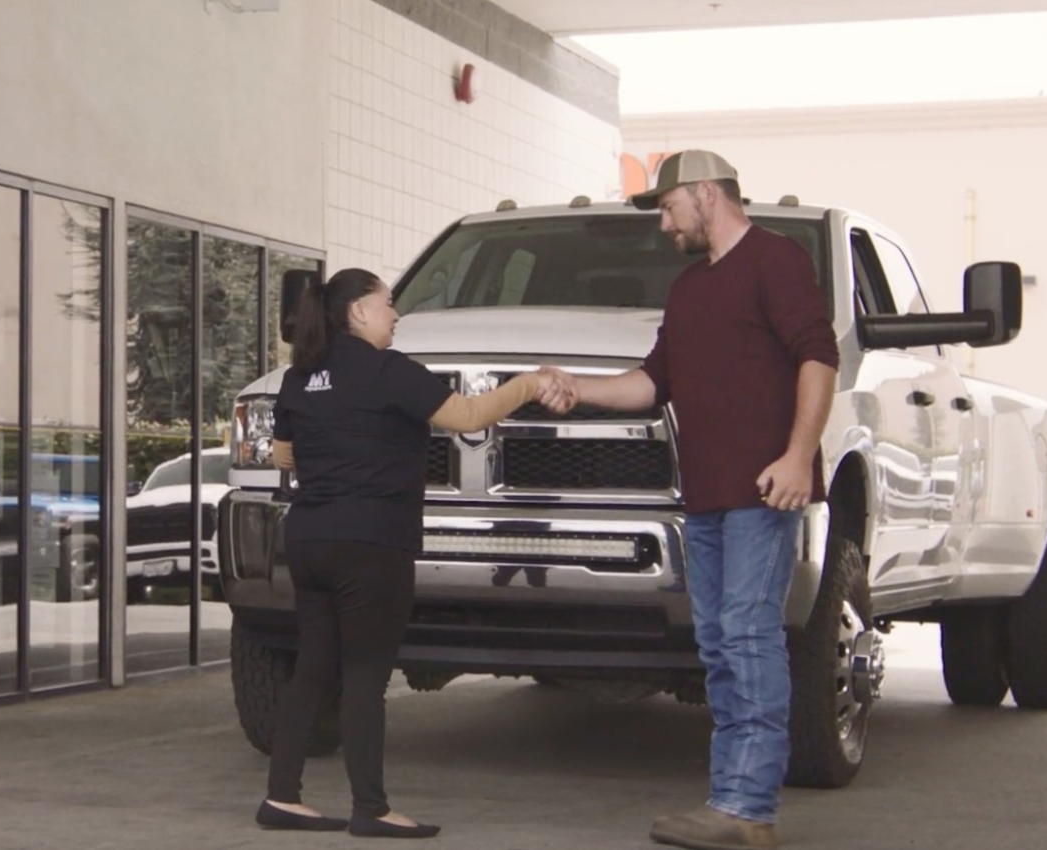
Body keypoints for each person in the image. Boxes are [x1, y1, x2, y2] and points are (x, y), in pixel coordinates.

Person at [539, 151, 839, 850]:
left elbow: (818, 357)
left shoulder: (776, 259)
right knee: (719, 645)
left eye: (670, 208)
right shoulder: (688, 289)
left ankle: (748, 810)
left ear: (707, 194)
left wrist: (798, 456)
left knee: (747, 637)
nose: (665, 226)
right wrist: (576, 388)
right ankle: (730, 802)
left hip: (763, 489)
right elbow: (650, 383)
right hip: (702, 498)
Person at [257, 267, 564, 839]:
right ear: (358, 313)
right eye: (388, 303)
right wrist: (528, 383)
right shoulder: (387, 372)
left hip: (309, 539)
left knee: (313, 670)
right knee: (366, 678)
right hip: (372, 542)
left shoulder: (299, 377)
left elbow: (284, 457)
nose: (395, 315)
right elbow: (469, 417)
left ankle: (282, 797)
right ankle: (371, 809)